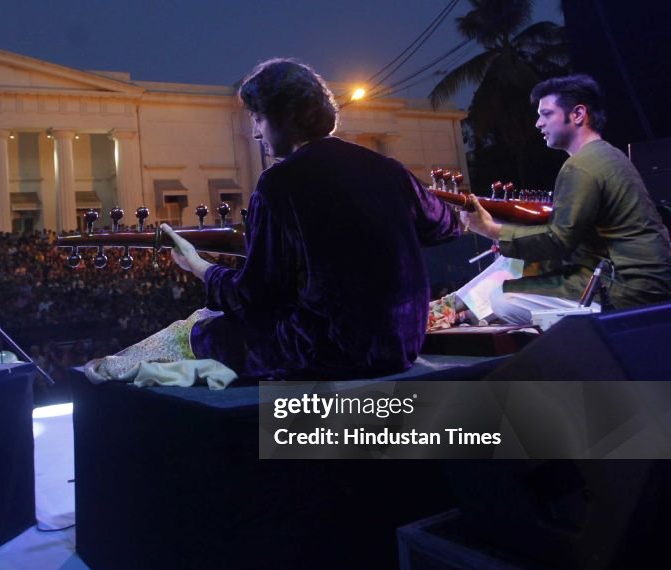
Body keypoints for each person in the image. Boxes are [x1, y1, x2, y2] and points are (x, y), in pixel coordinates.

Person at [87, 58, 461, 383]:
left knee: (197, 331)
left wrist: (199, 266)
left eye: (258, 117)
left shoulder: (281, 182)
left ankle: (105, 378)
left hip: (334, 352)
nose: (254, 132)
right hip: (402, 344)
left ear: (285, 118)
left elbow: (256, 297)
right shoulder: (388, 169)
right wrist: (472, 215)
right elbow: (443, 225)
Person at [455, 74, 671, 324]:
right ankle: (455, 309)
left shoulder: (581, 166)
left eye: (546, 114)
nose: (538, 123)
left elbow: (558, 240)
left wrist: (489, 228)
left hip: (625, 287)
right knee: (513, 269)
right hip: (648, 281)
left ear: (578, 114)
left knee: (502, 297)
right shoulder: (610, 155)